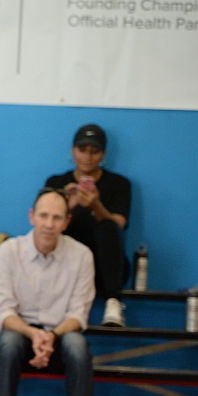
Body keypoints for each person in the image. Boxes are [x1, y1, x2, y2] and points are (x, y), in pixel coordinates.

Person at [0, 188, 95, 396]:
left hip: (60, 335)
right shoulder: (9, 251)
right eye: (44, 216)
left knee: (77, 344)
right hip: (21, 333)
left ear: (67, 221)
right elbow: (4, 311)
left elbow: (78, 315)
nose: (49, 224)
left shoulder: (82, 255)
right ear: (32, 216)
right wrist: (33, 333)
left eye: (57, 217)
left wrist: (50, 335)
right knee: (9, 340)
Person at [45, 124, 131, 327]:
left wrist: (96, 206)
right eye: (82, 150)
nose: (87, 157)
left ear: (103, 154)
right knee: (52, 226)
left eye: (94, 152)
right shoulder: (57, 182)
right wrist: (66, 205)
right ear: (72, 151)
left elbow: (119, 225)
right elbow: (44, 227)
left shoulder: (119, 184)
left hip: (105, 267)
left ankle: (113, 302)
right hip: (65, 267)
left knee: (107, 225)